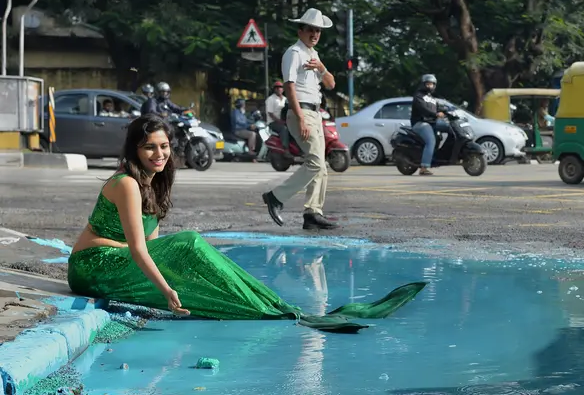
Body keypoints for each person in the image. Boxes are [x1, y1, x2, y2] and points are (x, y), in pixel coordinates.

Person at [66, 114, 426, 332]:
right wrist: (167, 291)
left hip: (118, 263)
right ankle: (267, 307)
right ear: (134, 151)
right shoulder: (127, 183)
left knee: (188, 250)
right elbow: (142, 250)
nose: (159, 154)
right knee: (189, 243)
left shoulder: (154, 182)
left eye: (163, 146)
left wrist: (176, 278)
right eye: (149, 148)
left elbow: (155, 245)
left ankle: (271, 305)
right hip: (91, 268)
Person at [262, 8, 337, 230]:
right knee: (315, 162)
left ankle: (313, 212)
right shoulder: (294, 53)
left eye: (318, 31)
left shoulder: (313, 56)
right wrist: (301, 118)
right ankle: (276, 197)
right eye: (311, 30)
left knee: (321, 165)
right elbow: (289, 86)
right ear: (300, 30)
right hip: (301, 112)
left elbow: (331, 84)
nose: (315, 34)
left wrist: (321, 68)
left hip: (315, 112)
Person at [410, 74, 447, 176]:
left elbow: (440, 108)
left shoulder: (432, 98)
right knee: (431, 141)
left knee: (450, 128)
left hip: (432, 123)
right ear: (423, 84)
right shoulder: (418, 96)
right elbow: (423, 109)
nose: (430, 86)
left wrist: (448, 111)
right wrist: (435, 114)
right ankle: (424, 167)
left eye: (432, 84)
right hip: (420, 123)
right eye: (428, 84)